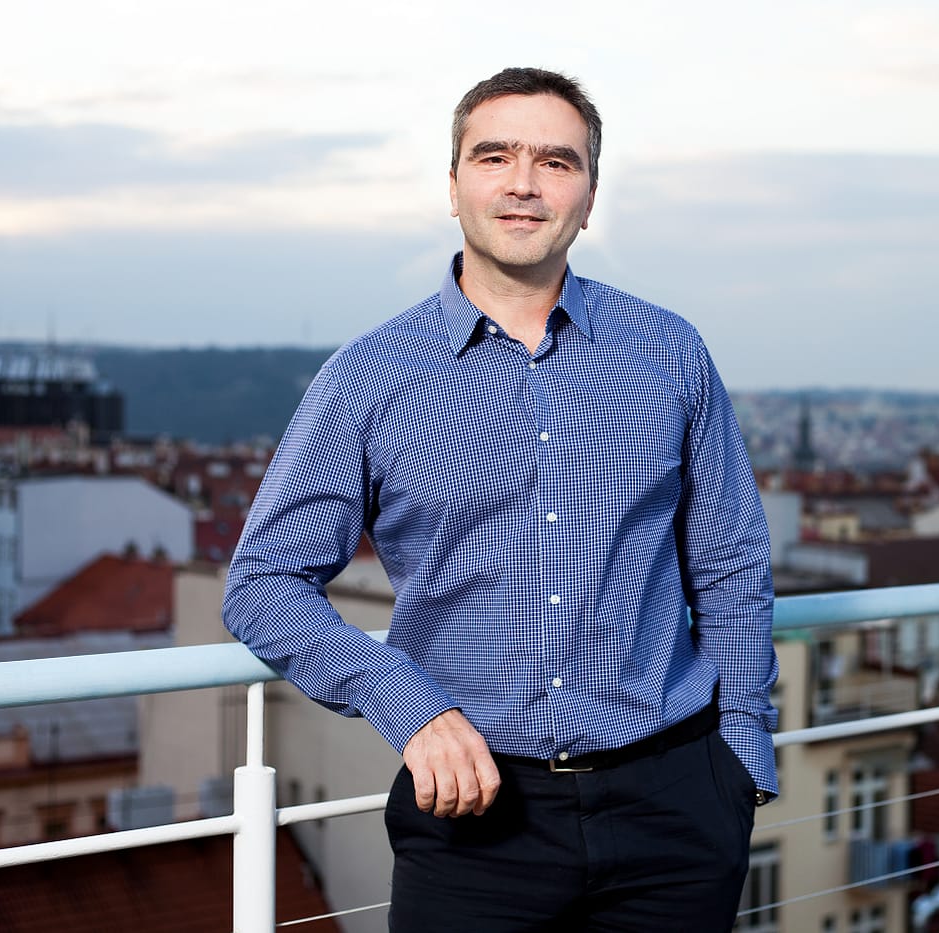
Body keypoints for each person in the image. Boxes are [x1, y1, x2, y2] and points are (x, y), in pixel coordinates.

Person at [223, 66, 778, 931]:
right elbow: (263, 582)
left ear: (589, 198)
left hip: (676, 804)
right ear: (454, 187)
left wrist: (740, 754)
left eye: (557, 162)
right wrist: (410, 705)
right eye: (495, 156)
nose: (523, 182)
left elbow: (731, 558)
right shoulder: (368, 377)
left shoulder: (669, 352)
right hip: (474, 812)